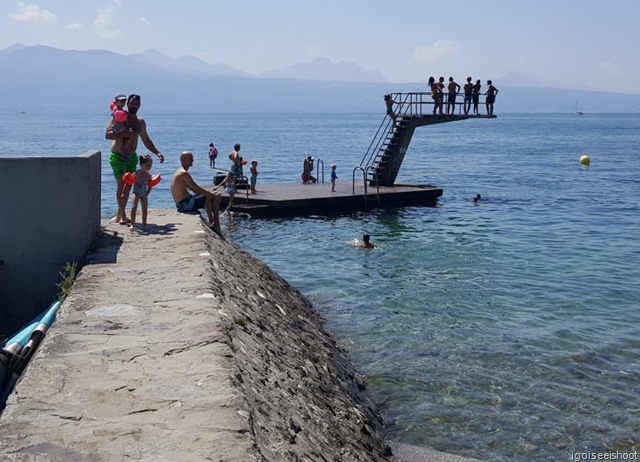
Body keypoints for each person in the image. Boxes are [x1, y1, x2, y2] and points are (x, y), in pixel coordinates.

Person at [106, 94, 164, 225]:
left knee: (128, 187)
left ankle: (120, 215)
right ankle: (122, 215)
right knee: (121, 185)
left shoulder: (140, 122)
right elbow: (107, 134)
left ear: (139, 105)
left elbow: (146, 140)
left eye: (136, 104)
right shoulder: (120, 117)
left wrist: (157, 152)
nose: (133, 106)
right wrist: (127, 133)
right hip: (118, 156)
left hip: (131, 158)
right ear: (127, 104)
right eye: (131, 103)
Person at [171, 151, 223, 237]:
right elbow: (197, 190)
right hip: (184, 205)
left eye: (192, 158)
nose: (193, 160)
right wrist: (213, 195)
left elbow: (193, 188)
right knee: (214, 197)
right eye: (190, 158)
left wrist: (209, 194)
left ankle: (212, 221)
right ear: (183, 160)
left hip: (182, 203)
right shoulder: (184, 173)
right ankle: (216, 225)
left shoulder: (180, 172)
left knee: (210, 195)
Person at [129, 154, 154, 232]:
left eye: (151, 165)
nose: (150, 166)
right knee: (134, 208)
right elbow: (129, 181)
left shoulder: (148, 176)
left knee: (144, 209)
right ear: (142, 165)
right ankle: (132, 224)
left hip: (144, 193)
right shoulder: (136, 173)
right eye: (148, 165)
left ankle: (144, 225)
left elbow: (150, 186)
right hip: (136, 192)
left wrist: (147, 193)